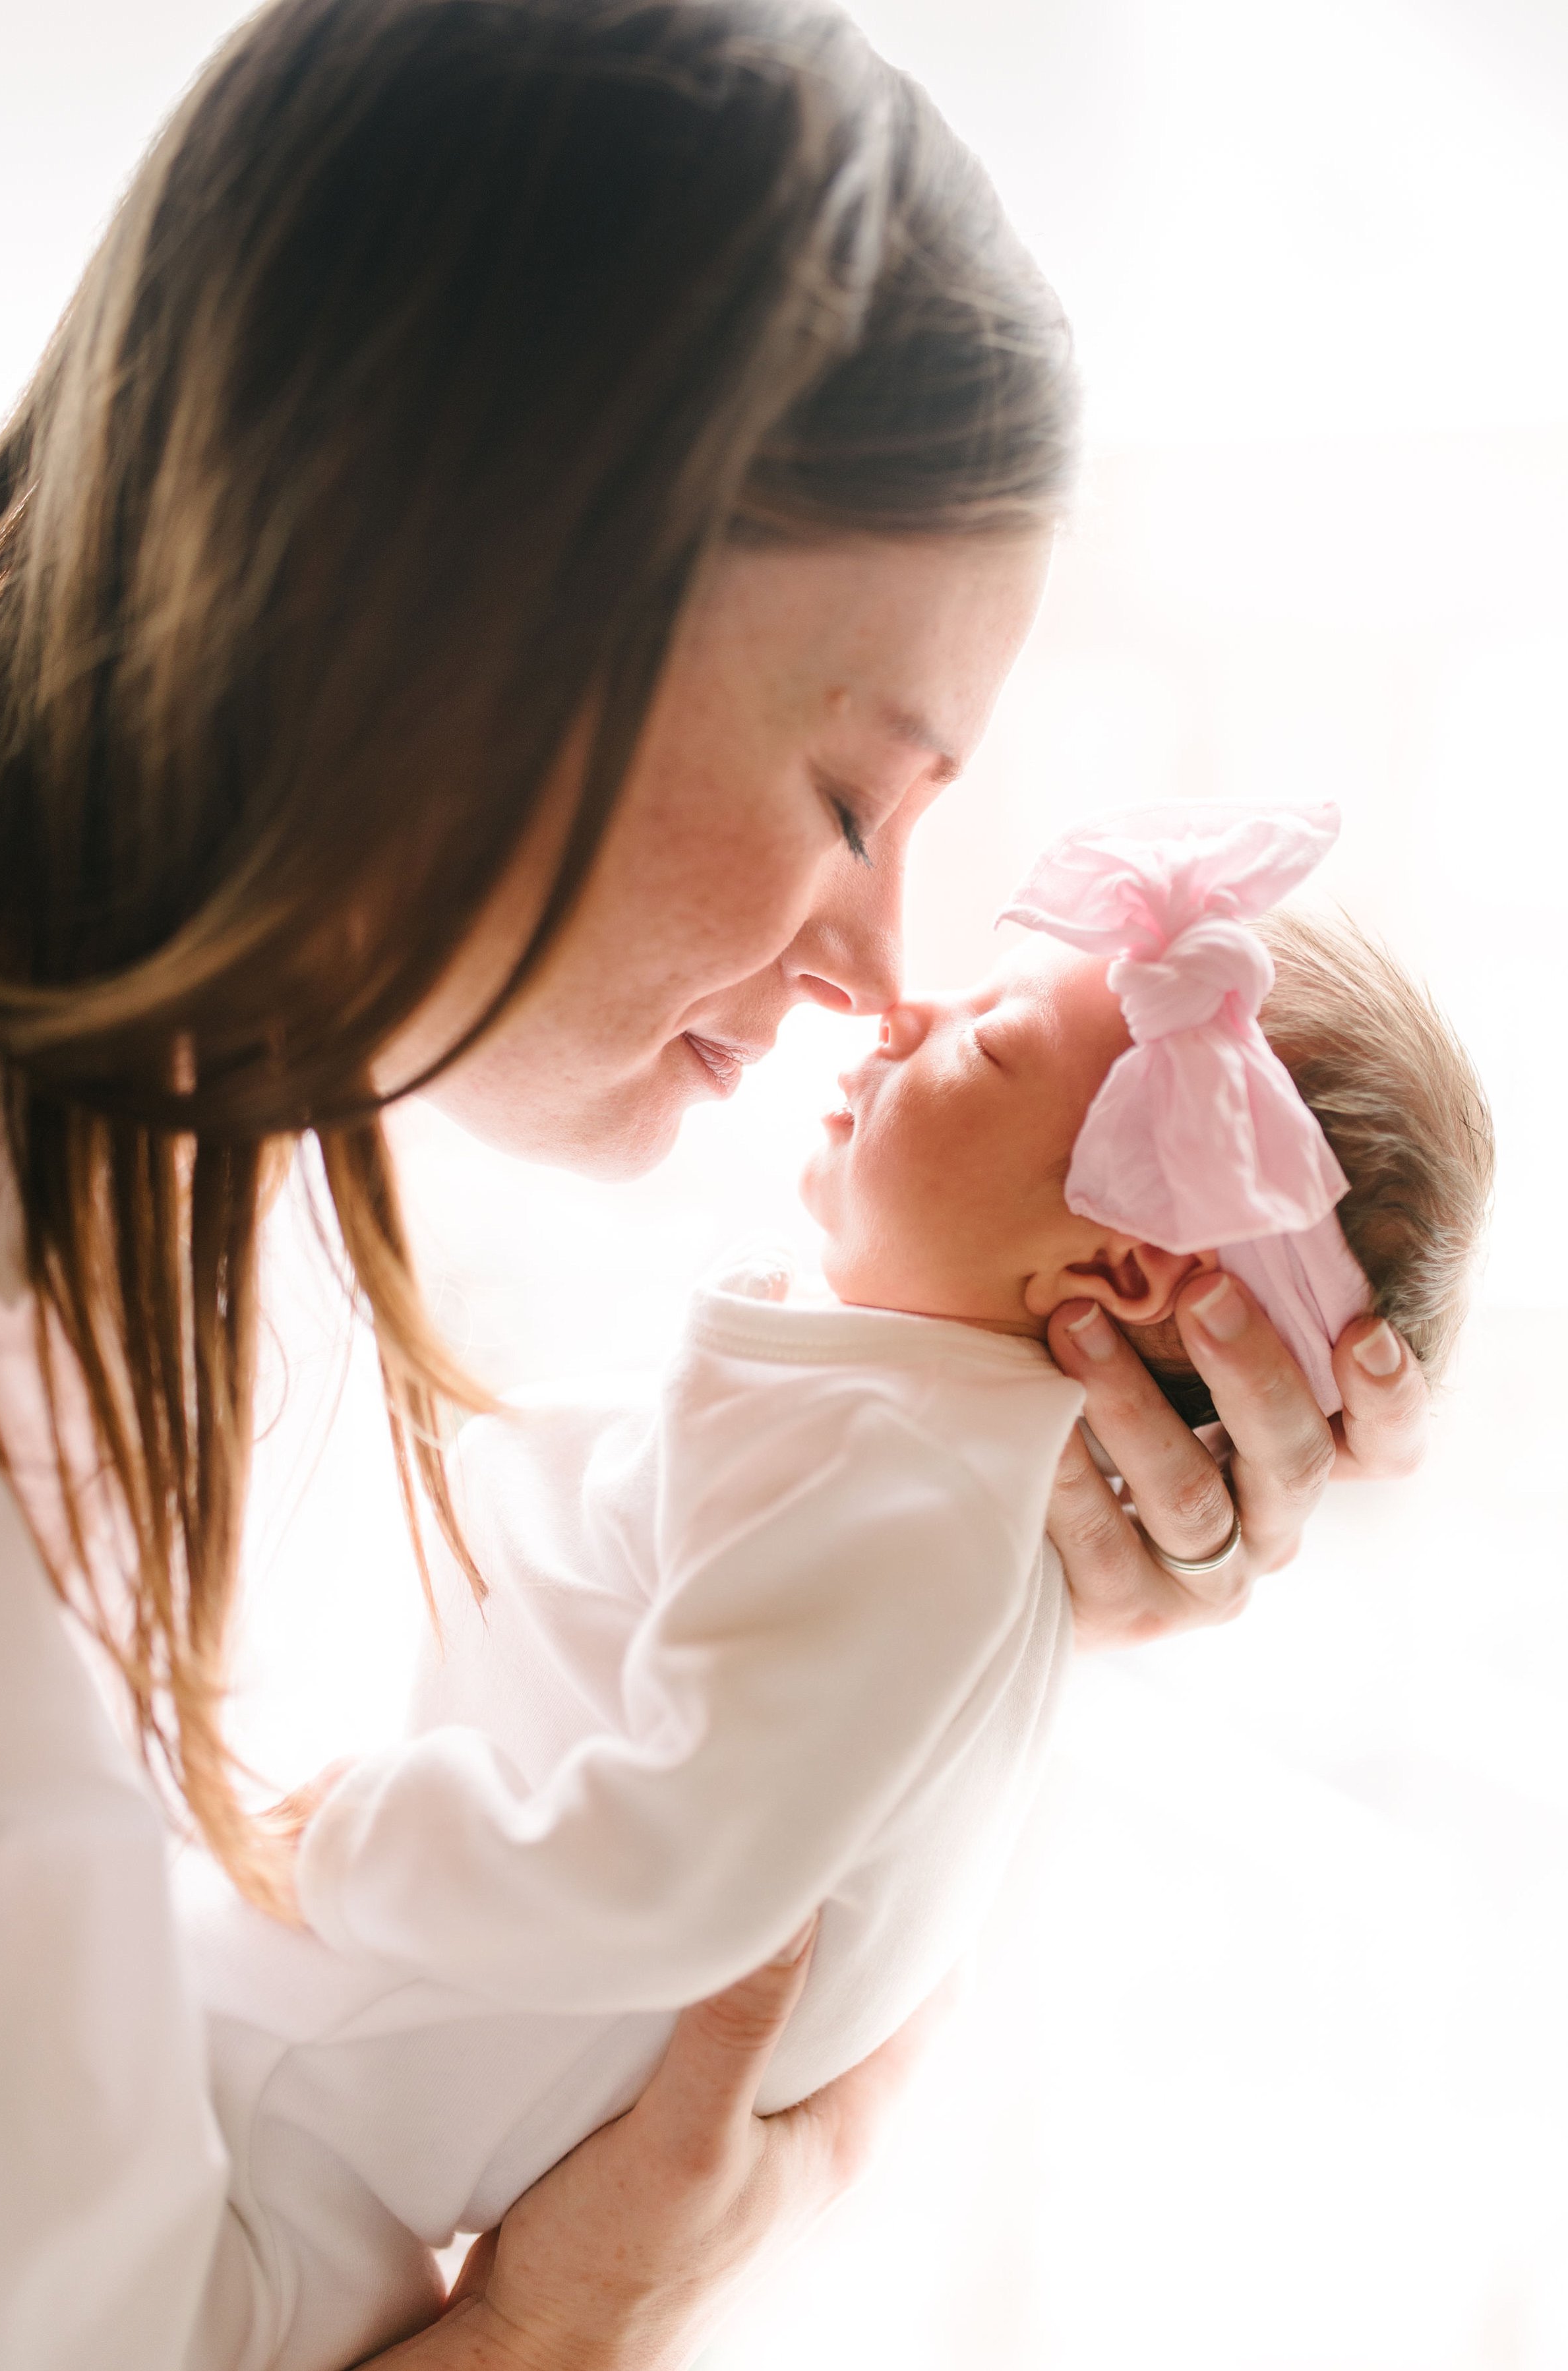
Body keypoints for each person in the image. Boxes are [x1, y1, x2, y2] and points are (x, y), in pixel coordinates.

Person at [0, 3, 1430, 2366]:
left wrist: (980, 1541)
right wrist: (574, 2322)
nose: (882, 954)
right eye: (862, 797)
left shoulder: (256, 1115)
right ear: (445, 603)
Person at [172, 804, 1486, 2371]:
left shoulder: (907, 1498)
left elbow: (677, 1871)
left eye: (986, 1048)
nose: (904, 1004)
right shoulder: (906, 1451)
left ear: (1120, 1273)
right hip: (317, 2091)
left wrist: (345, 1848)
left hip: (296, 2103)